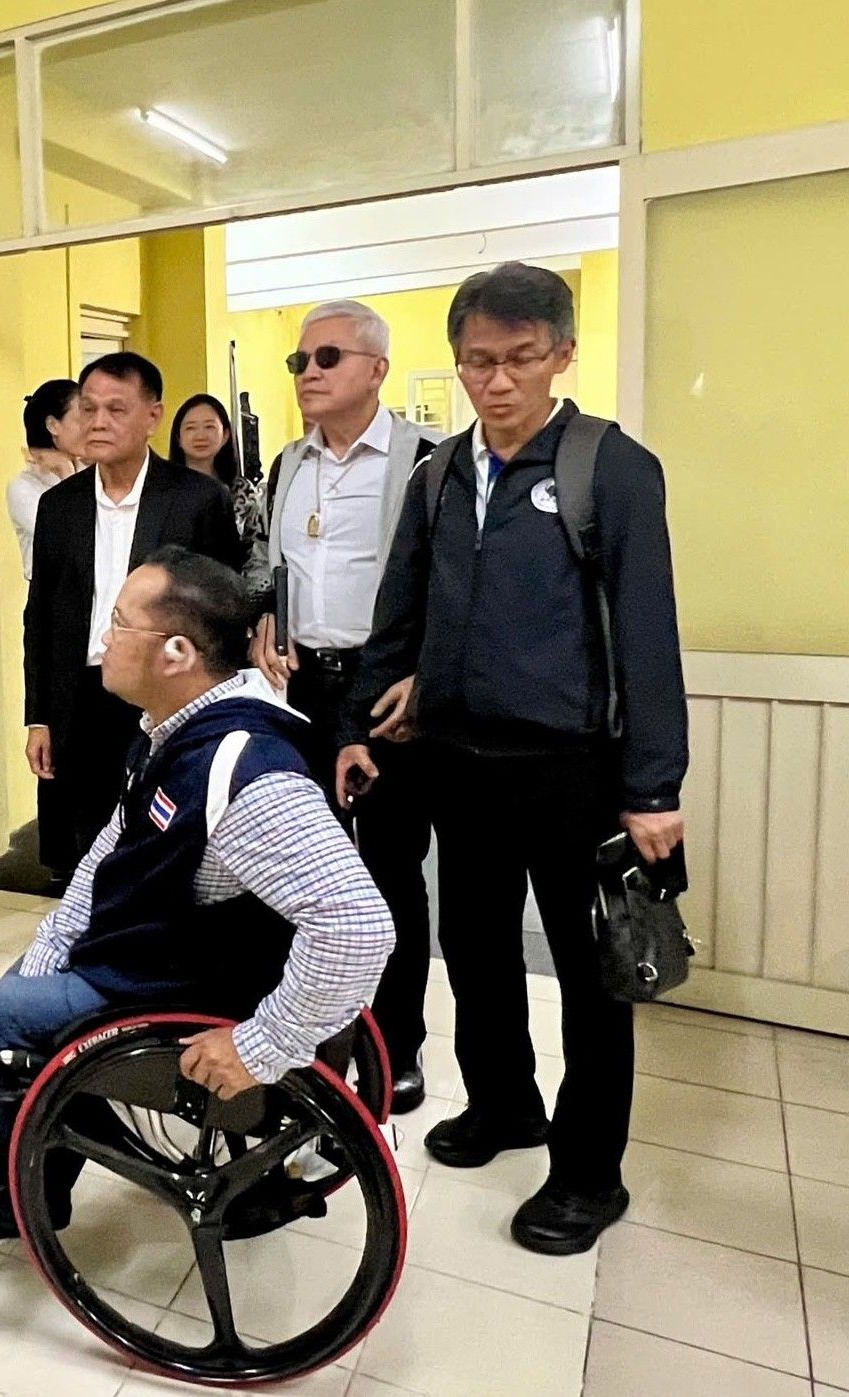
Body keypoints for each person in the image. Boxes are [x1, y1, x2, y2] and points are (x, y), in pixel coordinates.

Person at [0, 549, 395, 1232]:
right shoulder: (175, 731)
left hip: (185, 982)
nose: (103, 640)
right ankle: (31, 1175)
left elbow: (358, 924)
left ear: (177, 652)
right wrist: (56, 939)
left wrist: (261, 1045)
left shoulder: (243, 771)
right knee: (27, 975)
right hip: (156, 950)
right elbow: (112, 846)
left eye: (120, 623)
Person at [338, 262, 689, 1256]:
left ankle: (588, 1173)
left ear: (561, 355)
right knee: (476, 949)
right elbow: (400, 613)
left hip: (575, 769)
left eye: (519, 359)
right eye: (476, 361)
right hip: (460, 761)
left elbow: (648, 633)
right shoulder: (439, 476)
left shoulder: (608, 467)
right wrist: (359, 721)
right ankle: (503, 1103)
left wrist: (653, 787)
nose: (495, 381)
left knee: (590, 977)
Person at [244, 300, 438, 1115]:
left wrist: (426, 673)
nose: (309, 373)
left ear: (377, 369)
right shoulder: (289, 464)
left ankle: (395, 1046)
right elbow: (270, 562)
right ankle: (311, 1039)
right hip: (305, 691)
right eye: (300, 361)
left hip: (388, 688)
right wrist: (265, 615)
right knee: (304, 876)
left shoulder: (426, 461)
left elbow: (450, 583)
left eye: (328, 357)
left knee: (388, 874)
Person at [24, 352, 243, 878]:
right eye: (88, 409)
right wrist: (39, 716)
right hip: (82, 696)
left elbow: (223, 614)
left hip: (165, 694)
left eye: (116, 409)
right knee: (91, 848)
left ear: (153, 416)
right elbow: (41, 617)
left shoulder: (197, 500)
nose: (98, 422)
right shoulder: (59, 506)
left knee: (168, 845)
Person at [7, 378, 86, 581]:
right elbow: (70, 538)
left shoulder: (92, 470)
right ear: (53, 425)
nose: (91, 427)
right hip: (52, 594)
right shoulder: (23, 487)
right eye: (82, 419)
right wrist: (66, 471)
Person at [169, 391, 262, 556]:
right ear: (178, 438)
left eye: (209, 427)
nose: (200, 436)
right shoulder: (162, 489)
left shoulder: (242, 491)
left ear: (225, 435)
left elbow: (256, 551)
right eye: (190, 428)